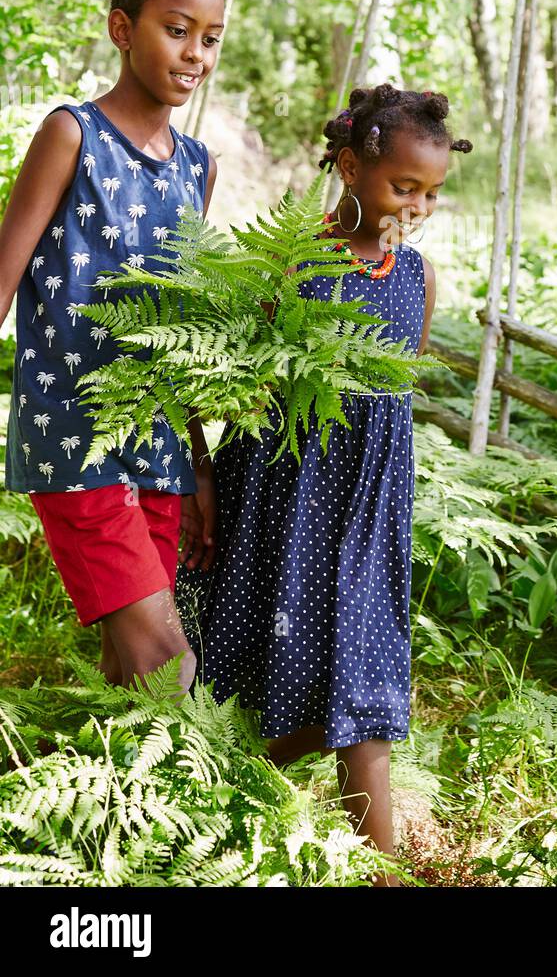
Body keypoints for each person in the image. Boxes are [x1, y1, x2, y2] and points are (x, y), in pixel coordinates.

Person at [176, 82, 473, 886]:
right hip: (281, 500)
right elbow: (215, 375)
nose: (416, 205)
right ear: (349, 167)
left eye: (432, 193)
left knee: (364, 688)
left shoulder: (417, 277)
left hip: (368, 512)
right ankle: (222, 789)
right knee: (275, 677)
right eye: (401, 186)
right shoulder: (293, 261)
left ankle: (375, 870)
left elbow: (392, 398)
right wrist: (200, 475)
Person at [0, 0, 223, 692]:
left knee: (129, 676)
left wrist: (197, 461)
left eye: (211, 38)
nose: (195, 53)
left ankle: (109, 802)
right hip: (73, 437)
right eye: (176, 28)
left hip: (158, 443)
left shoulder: (199, 166)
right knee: (170, 664)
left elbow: (182, 326)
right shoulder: (73, 135)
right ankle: (206, 807)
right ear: (123, 30)